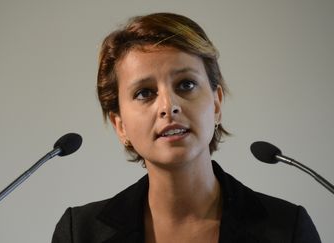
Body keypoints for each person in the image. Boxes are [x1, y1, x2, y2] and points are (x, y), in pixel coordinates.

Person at [52, 13, 321, 243]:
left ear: (216, 104)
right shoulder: (81, 234)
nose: (169, 106)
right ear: (120, 125)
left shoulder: (288, 229)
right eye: (145, 92)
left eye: (186, 85)